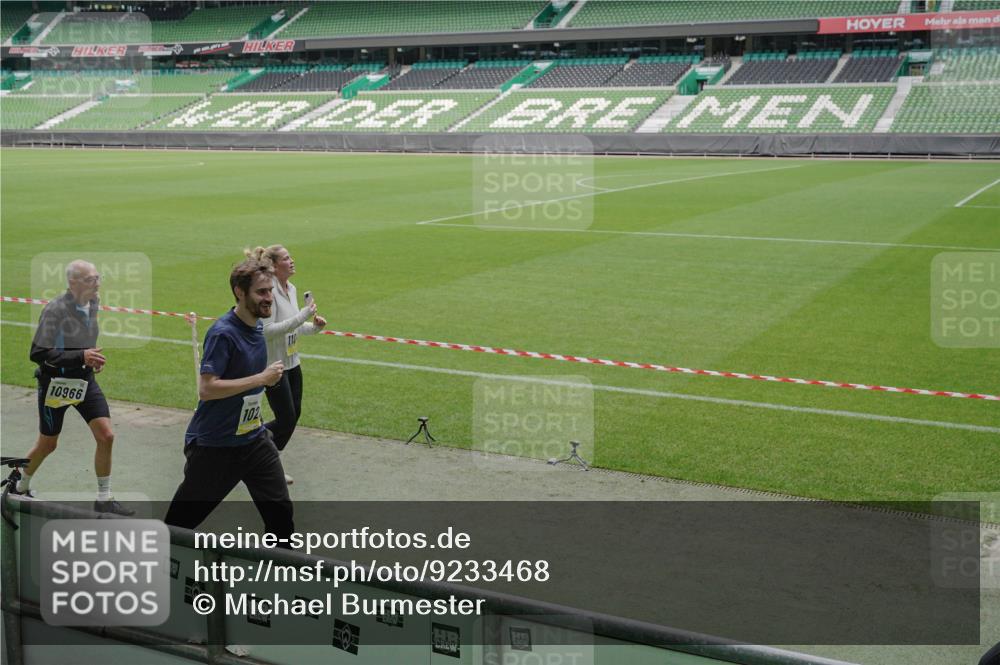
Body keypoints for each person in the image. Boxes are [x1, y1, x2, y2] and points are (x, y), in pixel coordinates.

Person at [164, 258, 293, 541]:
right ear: (239, 292)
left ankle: (275, 578)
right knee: (179, 525)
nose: (268, 298)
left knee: (281, 517)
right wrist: (261, 379)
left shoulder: (258, 328)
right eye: (261, 292)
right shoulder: (224, 333)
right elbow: (207, 389)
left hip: (254, 440)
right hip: (216, 447)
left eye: (270, 291)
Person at [16, 259, 133, 515]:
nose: (97, 283)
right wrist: (81, 356)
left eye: (97, 277)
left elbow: (84, 340)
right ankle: (20, 487)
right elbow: (38, 353)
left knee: (106, 436)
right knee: (48, 444)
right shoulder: (55, 310)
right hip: (54, 384)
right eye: (91, 279)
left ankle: (104, 497)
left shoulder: (93, 302)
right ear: (73, 283)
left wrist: (92, 359)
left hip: (83, 381)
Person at [244, 245, 326, 485]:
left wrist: (314, 327)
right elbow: (266, 331)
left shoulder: (291, 289)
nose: (292, 261)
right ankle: (255, 453)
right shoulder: (269, 294)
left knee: (293, 415)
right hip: (274, 366)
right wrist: (302, 315)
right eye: (287, 258)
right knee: (286, 419)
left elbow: (295, 328)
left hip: (293, 362)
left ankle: (261, 458)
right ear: (274, 265)